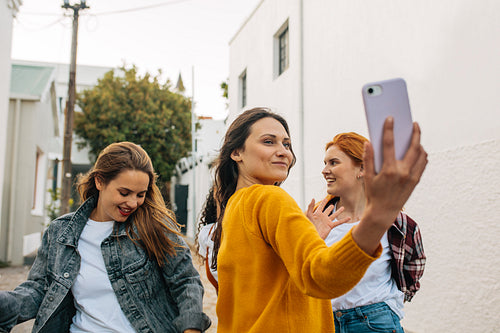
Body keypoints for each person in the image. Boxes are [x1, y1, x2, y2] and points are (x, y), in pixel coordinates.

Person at [209, 107, 428, 332]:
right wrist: (379, 216)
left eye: (286, 144)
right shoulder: (270, 198)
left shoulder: (234, 206)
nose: (284, 152)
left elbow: (267, 292)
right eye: (268, 142)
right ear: (237, 153)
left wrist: (311, 238)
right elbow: (321, 277)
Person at [0, 142, 211, 333]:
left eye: (140, 194)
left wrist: (191, 327)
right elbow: (38, 291)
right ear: (100, 182)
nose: (133, 203)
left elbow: (185, 281)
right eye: (124, 192)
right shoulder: (60, 232)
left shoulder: (154, 227)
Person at [309, 132, 425, 333]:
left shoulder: (396, 222)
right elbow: (302, 270)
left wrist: (393, 304)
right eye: (325, 163)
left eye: (333, 163)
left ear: (362, 168)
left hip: (375, 321)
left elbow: (414, 263)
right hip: (324, 321)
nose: (324, 170)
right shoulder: (316, 217)